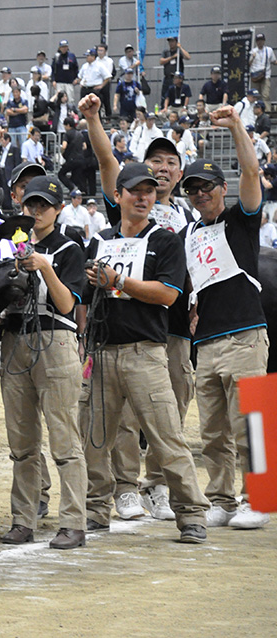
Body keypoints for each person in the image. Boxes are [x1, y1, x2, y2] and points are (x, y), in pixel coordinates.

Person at [79, 96, 210, 543]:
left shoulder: (167, 239)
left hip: (146, 350)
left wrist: (119, 281)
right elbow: (84, 298)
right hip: (103, 351)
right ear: (117, 196)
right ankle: (97, 509)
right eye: (135, 191)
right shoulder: (99, 239)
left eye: (149, 192)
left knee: (167, 434)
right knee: (96, 438)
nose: (143, 197)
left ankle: (191, 512)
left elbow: (169, 294)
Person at [0, 176, 88, 549]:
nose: (37, 212)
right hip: (14, 338)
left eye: (44, 206)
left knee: (64, 438)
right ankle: (23, 519)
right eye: (32, 205)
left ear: (58, 209)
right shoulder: (8, 246)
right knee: (22, 441)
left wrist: (44, 267)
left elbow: (68, 304)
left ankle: (73, 522)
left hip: (56, 337)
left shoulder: (69, 247)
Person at [179, 105, 271, 529]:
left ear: (221, 188)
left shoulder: (243, 219)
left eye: (206, 187)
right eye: (192, 190)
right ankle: (222, 498)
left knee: (252, 421)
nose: (200, 194)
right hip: (207, 343)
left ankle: (261, 497)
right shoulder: (190, 234)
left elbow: (251, 174)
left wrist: (236, 127)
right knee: (213, 432)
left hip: (246, 336)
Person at [159, 37, 190, 102]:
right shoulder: (166, 52)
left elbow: (188, 57)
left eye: (172, 41)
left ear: (176, 42)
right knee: (165, 96)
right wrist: (172, 57)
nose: (171, 43)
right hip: (168, 78)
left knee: (176, 95)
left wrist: (180, 47)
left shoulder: (179, 51)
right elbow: (161, 61)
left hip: (177, 78)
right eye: (170, 42)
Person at [249, 33, 275, 109]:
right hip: (255, 76)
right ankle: (254, 111)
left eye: (261, 40)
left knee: (265, 95)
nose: (260, 42)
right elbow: (249, 64)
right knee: (254, 95)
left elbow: (274, 61)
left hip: (265, 75)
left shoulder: (269, 50)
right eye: (258, 41)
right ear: (256, 42)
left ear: (264, 41)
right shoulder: (253, 51)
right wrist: (252, 57)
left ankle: (267, 112)